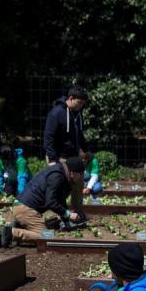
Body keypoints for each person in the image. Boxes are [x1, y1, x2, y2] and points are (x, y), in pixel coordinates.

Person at [6, 158, 83, 243]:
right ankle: (11, 233)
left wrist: (67, 221)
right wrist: (68, 214)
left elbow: (60, 200)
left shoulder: (60, 172)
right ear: (72, 172)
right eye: (80, 174)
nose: (80, 177)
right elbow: (51, 202)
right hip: (26, 209)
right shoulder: (57, 176)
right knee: (46, 237)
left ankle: (21, 225)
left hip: (23, 206)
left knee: (47, 235)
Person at [44, 85, 90, 220]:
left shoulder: (77, 114)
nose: (81, 106)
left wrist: (84, 150)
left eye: (83, 103)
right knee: (58, 188)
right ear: (70, 98)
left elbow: (79, 134)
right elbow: (48, 137)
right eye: (79, 103)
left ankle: (78, 215)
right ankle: (55, 217)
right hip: (59, 158)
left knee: (78, 185)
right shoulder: (56, 113)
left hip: (73, 157)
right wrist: (52, 160)